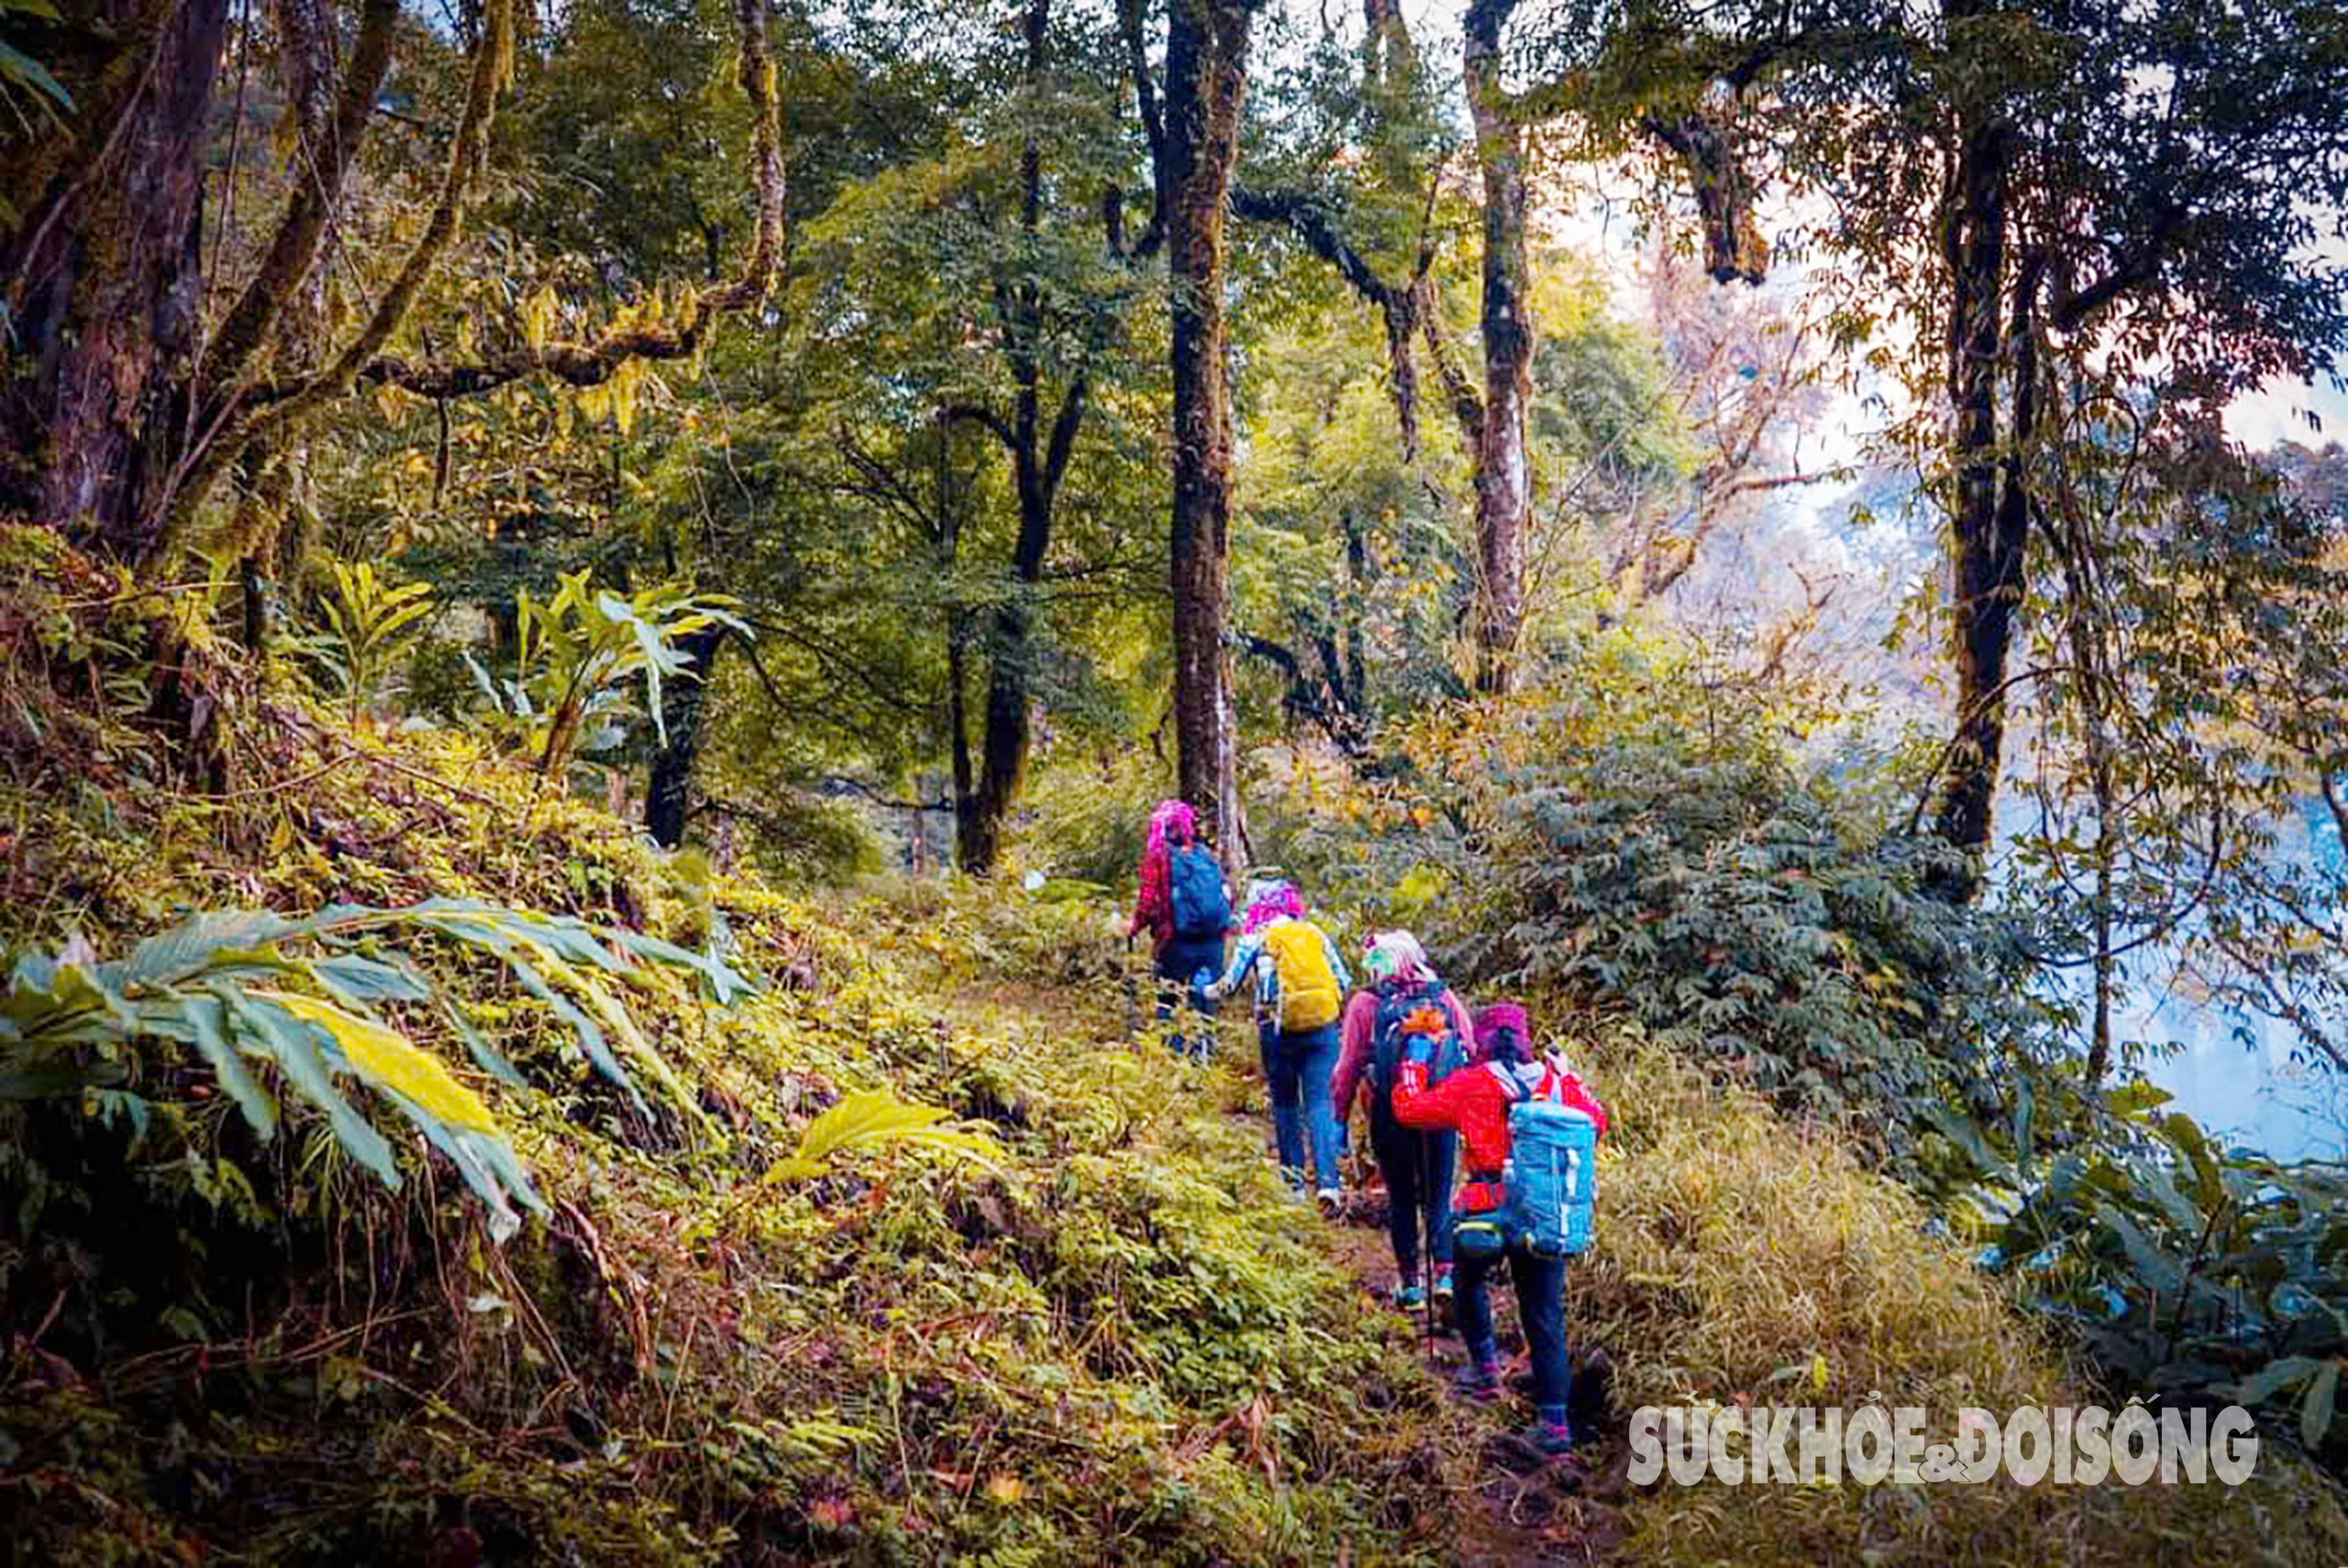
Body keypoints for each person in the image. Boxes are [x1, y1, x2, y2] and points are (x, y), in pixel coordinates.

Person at [1390, 1003, 1608, 1463]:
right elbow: (1596, 1122)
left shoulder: (1472, 1083)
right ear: (1526, 1040)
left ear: (1480, 1043)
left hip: (1486, 1210)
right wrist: (1569, 1079)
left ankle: (1486, 1371)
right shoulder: (1553, 1082)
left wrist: (1414, 1057)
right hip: (1543, 1214)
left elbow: (1410, 1110)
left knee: (1467, 1282)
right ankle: (1554, 1426)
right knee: (1545, 1316)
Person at [1331, 931, 1478, 1312]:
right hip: (1441, 1111)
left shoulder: (1366, 1003)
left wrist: (1339, 1120)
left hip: (1389, 1111)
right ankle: (1445, 1275)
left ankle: (1411, 1286)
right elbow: (1470, 1046)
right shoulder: (1442, 997)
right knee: (1438, 1197)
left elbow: (1347, 1067)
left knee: (1401, 1199)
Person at [1200, 878, 1351, 1211]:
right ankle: (1329, 1184)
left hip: (1277, 1030)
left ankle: (1294, 1185)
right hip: (1322, 1029)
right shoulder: (1314, 934)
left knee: (1285, 1104)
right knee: (1319, 1104)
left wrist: (1202, 991)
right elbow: (1343, 980)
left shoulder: (1256, 938)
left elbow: (1229, 985)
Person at [1125, 799, 1229, 1059]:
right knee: (1204, 998)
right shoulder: (1206, 854)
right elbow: (1226, 896)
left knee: (1167, 998)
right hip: (1212, 941)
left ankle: (1171, 1056)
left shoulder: (1158, 856)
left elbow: (1148, 902)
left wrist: (1133, 927)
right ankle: (1203, 1056)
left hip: (1173, 941)